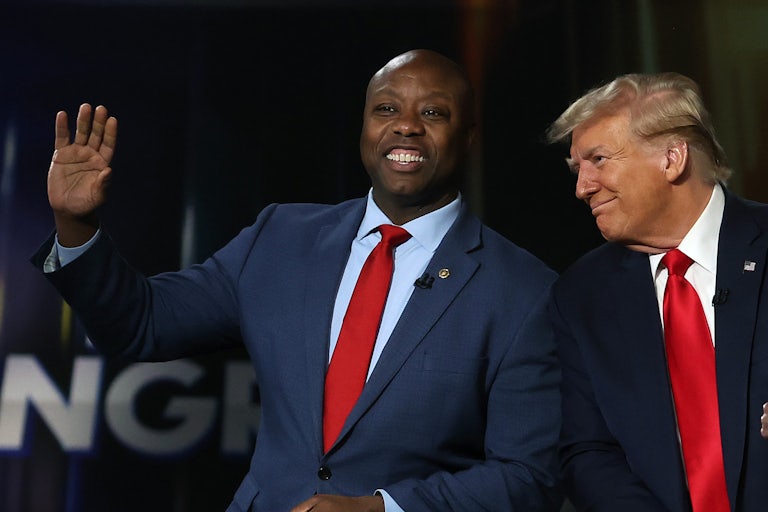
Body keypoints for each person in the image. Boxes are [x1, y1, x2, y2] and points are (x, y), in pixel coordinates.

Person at [32, 49, 563, 512]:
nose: (406, 125)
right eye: (386, 109)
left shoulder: (522, 291)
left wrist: (385, 509)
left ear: (469, 137)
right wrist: (76, 226)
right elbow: (141, 323)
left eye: (433, 112)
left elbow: (529, 477)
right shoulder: (280, 237)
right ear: (363, 129)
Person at [546, 71, 768, 512]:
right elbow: (586, 451)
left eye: (599, 160)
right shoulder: (580, 296)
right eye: (577, 168)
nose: (582, 187)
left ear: (672, 158)